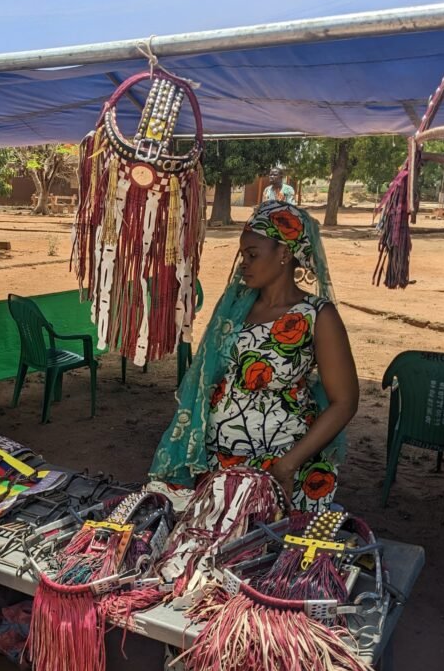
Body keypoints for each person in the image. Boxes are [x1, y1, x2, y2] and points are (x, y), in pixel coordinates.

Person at [150, 200, 358, 511]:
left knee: (266, 547)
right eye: (243, 254)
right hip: (220, 459)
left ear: (285, 254)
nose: (243, 263)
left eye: (253, 254)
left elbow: (345, 402)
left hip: (281, 460)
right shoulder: (238, 307)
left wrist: (289, 464)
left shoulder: (317, 316)